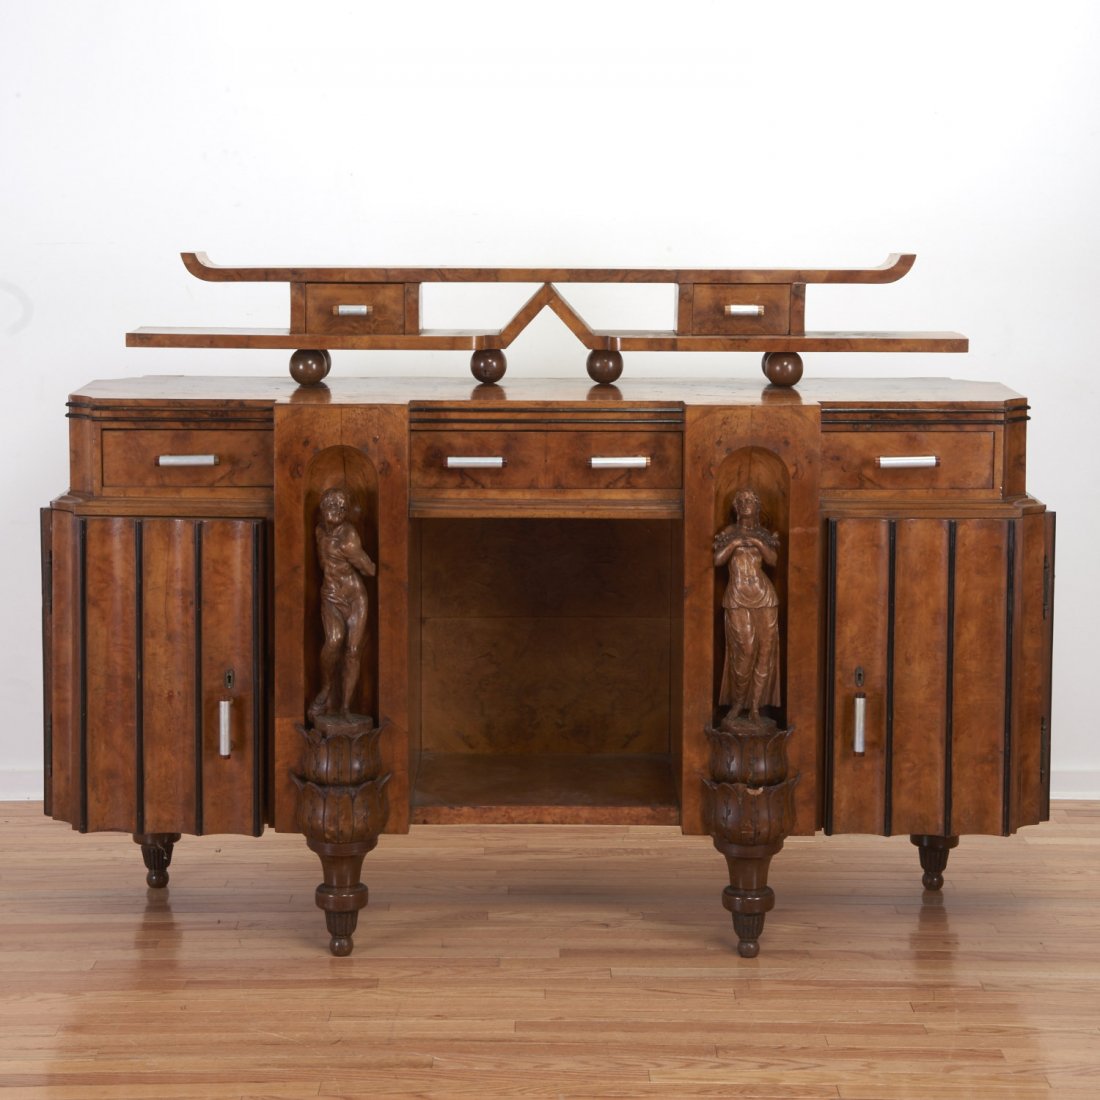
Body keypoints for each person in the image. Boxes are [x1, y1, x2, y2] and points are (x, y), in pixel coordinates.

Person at [714, 488, 781, 722]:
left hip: (764, 596)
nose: (745, 503)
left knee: (765, 651)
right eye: (741, 500)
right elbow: (717, 559)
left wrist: (756, 542)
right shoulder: (729, 532)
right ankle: (737, 703)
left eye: (750, 500)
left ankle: (755, 707)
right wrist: (734, 543)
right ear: (735, 507)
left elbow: (773, 560)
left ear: (758, 505)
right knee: (746, 650)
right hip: (737, 596)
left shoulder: (763, 534)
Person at [310, 487, 376, 721]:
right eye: (332, 505)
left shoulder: (348, 537)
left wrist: (352, 555)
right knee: (333, 641)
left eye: (341, 507)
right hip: (330, 594)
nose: (336, 510)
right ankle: (326, 689)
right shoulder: (319, 531)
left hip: (354, 596)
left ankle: (346, 707)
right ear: (322, 507)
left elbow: (369, 569)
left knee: (353, 650)